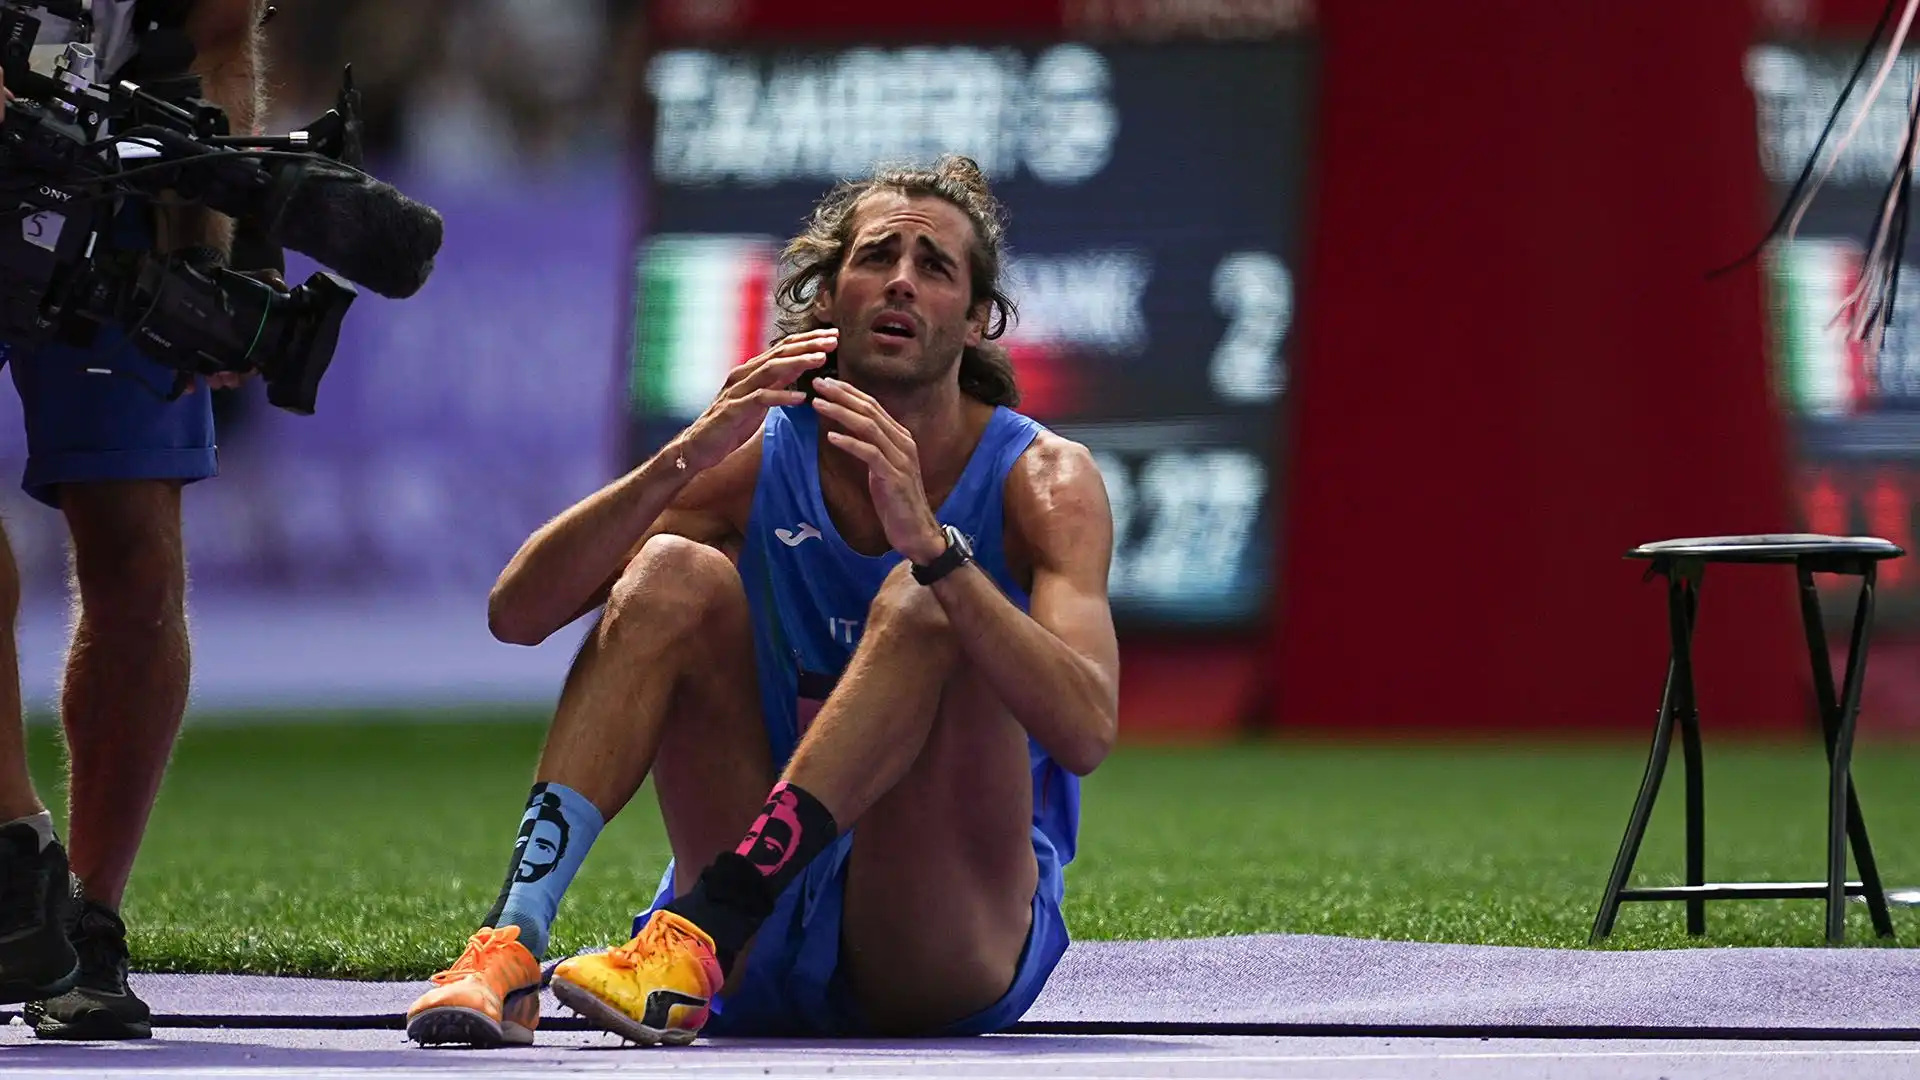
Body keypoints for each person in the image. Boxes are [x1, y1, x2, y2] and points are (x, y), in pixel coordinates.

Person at [405, 153, 1120, 1047]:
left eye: (934, 268)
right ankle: (508, 948)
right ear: (828, 297)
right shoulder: (757, 453)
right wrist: (685, 456)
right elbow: (517, 614)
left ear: (977, 321)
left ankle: (705, 927)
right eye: (875, 258)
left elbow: (1087, 729)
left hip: (939, 942)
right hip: (754, 943)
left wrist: (937, 551)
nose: (900, 280)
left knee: (928, 595)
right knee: (670, 569)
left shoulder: (1046, 478)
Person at [0, 0, 270, 1042]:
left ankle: (86, 928)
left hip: (113, 170)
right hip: (48, 130)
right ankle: (17, 852)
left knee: (140, 566)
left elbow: (214, 39)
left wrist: (213, 252)